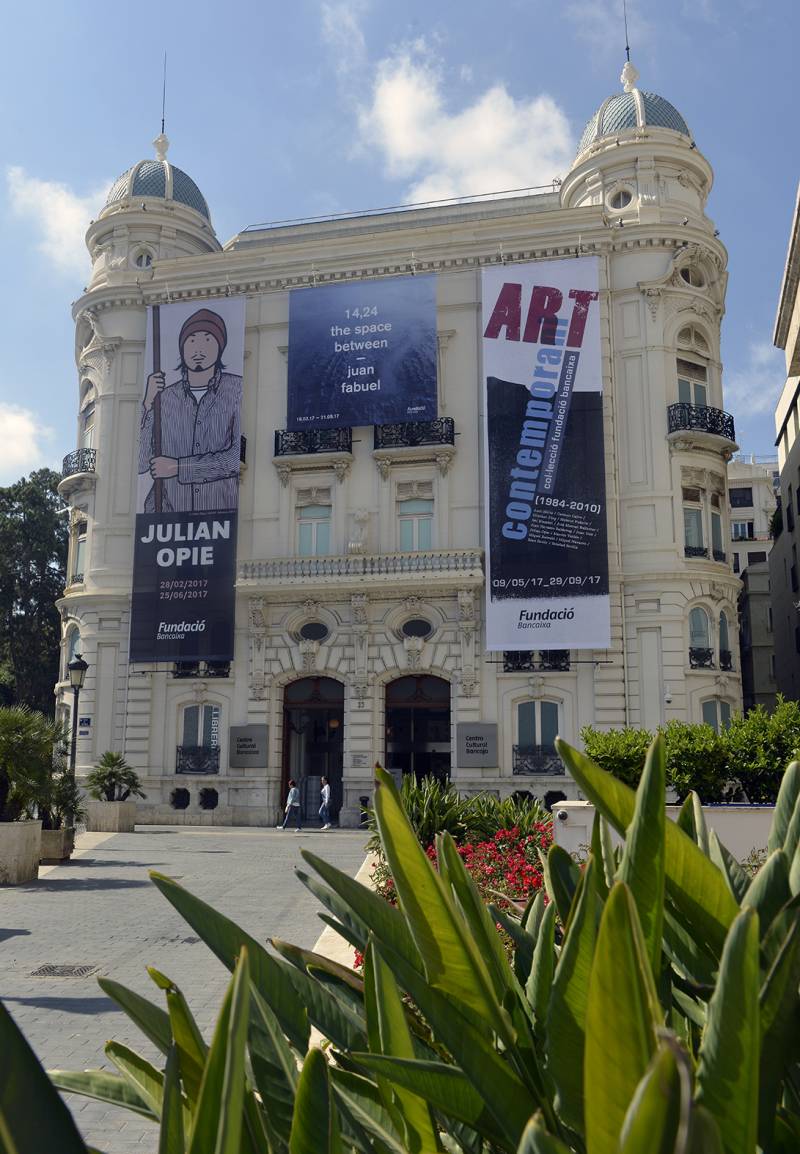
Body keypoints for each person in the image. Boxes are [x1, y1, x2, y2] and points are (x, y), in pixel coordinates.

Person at [138, 307, 242, 513]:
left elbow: (234, 458)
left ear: (220, 347)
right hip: (167, 520)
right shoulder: (164, 398)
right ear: (182, 347)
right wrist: (147, 404)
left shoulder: (237, 390)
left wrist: (179, 468)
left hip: (221, 520)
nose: (199, 349)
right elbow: (141, 463)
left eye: (207, 340)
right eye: (192, 340)